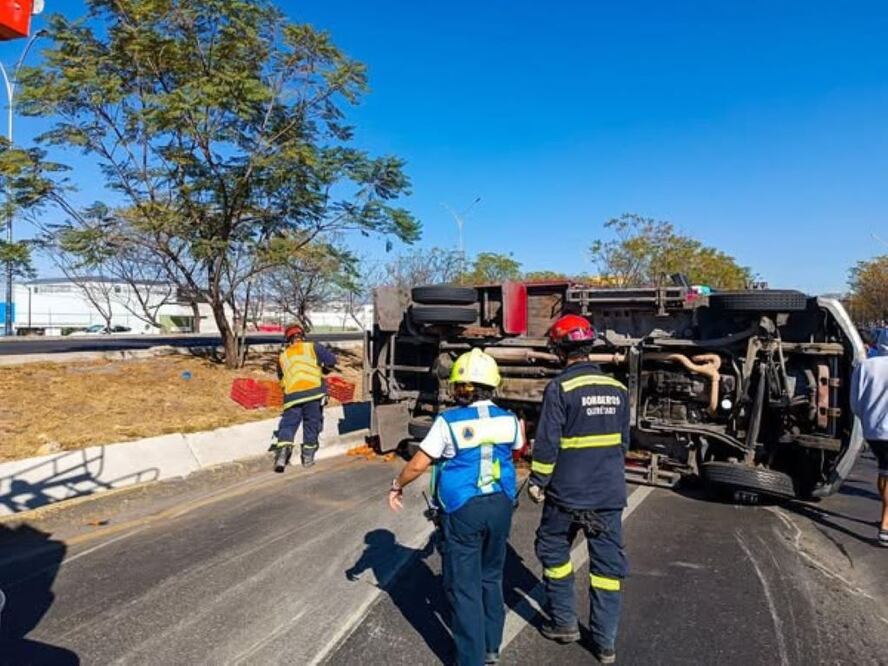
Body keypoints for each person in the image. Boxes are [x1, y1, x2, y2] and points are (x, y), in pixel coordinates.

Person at [388, 349, 523, 666]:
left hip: (463, 509)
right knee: (491, 576)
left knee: (464, 587)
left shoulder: (447, 421)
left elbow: (419, 463)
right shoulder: (510, 419)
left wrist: (397, 485)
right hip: (502, 503)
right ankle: (491, 647)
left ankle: (470, 659)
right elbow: (516, 450)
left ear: (464, 388)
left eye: (458, 386)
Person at [527, 314, 630, 665]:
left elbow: (547, 445)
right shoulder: (619, 389)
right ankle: (604, 644)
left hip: (566, 494)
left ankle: (565, 624)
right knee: (607, 570)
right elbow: (623, 445)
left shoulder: (560, 388)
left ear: (559, 349)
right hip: (608, 495)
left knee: (553, 550)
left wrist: (537, 482)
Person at [273, 323, 336, 471]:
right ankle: (307, 458)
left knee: (288, 425)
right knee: (311, 424)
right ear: (302, 336)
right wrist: (324, 368)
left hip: (292, 397)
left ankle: (281, 456)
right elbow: (332, 361)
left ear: (288, 339)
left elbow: (281, 378)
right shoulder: (312, 347)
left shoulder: (282, 356)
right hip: (313, 393)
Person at [850, 352, 888, 546]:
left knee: (884, 472)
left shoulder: (866, 366)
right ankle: (885, 527)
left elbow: (855, 403)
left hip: (873, 431)